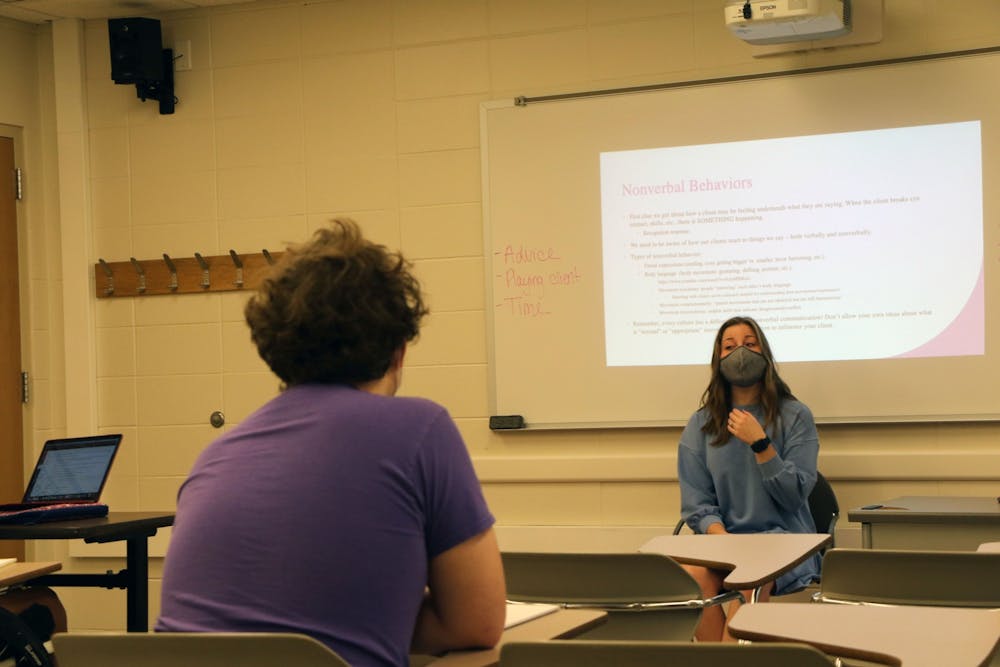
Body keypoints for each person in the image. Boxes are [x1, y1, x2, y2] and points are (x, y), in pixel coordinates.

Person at [156, 219, 506, 667]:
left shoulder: (216, 455)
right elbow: (475, 623)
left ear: (276, 349)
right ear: (399, 349)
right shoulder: (421, 428)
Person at [677, 315, 820, 642]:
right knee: (690, 579)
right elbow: (696, 502)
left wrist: (761, 444)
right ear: (718, 359)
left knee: (751, 579)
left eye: (750, 344)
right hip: (723, 541)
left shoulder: (795, 416)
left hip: (783, 543)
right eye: (730, 346)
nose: (740, 352)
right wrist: (722, 538)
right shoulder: (701, 425)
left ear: (764, 354)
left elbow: (794, 495)